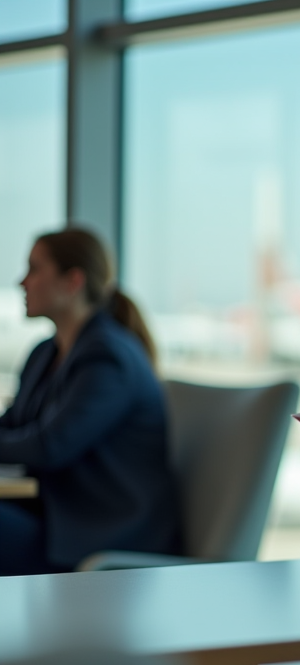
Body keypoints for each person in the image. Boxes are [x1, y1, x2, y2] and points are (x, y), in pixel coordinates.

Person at [0, 228, 180, 576]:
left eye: (35, 269)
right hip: (60, 519)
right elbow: (13, 425)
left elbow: (49, 447)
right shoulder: (46, 353)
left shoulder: (108, 357)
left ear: (73, 281)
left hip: (103, 536)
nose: (22, 282)